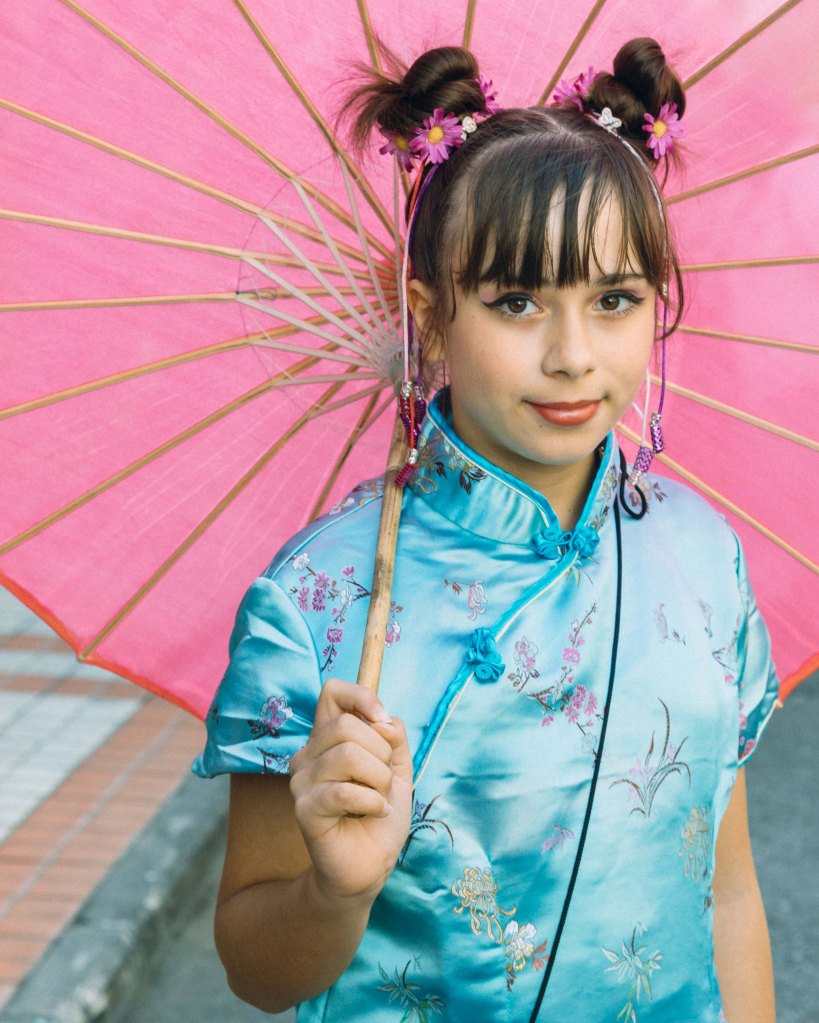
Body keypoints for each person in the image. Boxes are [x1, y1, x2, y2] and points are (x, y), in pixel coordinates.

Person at [193, 39, 778, 1023]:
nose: (573, 356)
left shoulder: (703, 556)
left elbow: (728, 894)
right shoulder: (319, 605)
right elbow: (257, 971)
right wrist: (333, 889)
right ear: (428, 310)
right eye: (515, 302)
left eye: (617, 299)